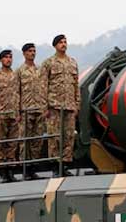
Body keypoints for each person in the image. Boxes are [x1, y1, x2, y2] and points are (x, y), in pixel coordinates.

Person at [39, 34, 79, 168]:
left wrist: (77, 104)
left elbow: (76, 85)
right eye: (61, 42)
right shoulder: (48, 63)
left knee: (69, 136)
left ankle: (66, 164)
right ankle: (56, 165)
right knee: (55, 137)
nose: (64, 44)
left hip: (70, 106)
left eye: (65, 42)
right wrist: (44, 107)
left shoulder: (72, 62)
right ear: (55, 45)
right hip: (54, 106)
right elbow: (43, 86)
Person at [0, 49, 20, 182]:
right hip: (0, 115)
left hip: (13, 115)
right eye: (6, 57)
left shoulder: (16, 76)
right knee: (1, 144)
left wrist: (18, 112)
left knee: (12, 144)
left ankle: (11, 171)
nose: (8, 59)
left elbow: (20, 94)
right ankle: (2, 172)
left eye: (10, 57)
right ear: (1, 60)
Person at [16, 42, 46, 178]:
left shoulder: (40, 70)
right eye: (29, 51)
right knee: (25, 140)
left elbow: (44, 89)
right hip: (25, 110)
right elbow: (16, 92)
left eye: (34, 51)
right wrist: (17, 111)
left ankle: (33, 167)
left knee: (37, 140)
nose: (32, 53)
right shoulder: (20, 72)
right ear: (24, 54)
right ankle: (25, 169)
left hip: (39, 109)